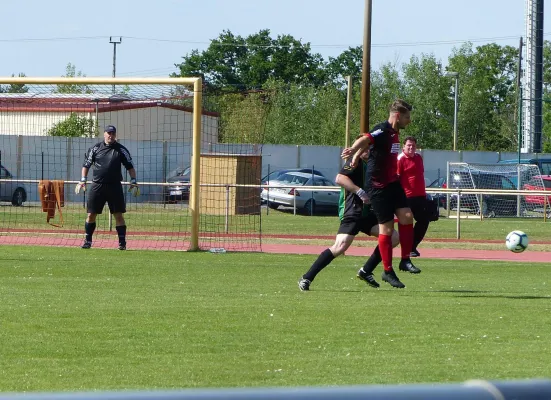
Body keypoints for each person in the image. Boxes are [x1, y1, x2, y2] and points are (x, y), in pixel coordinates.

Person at [341, 99, 421, 289]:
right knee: (386, 230)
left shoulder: (394, 132)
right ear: (398, 116)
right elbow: (365, 138)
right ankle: (387, 271)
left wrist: (355, 154)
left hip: (392, 182)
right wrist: (353, 150)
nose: (409, 121)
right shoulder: (383, 129)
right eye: (407, 117)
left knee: (407, 216)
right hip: (377, 187)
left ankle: (405, 260)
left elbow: (369, 144)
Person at [298, 150, 400, 291]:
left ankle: (366, 270)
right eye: (365, 148)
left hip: (367, 214)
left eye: (371, 149)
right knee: (340, 246)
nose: (369, 151)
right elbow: (340, 178)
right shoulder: (354, 162)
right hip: (352, 211)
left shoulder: (372, 164)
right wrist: (359, 191)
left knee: (393, 237)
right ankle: (306, 278)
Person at [75, 125, 140, 250]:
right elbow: (86, 165)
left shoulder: (121, 150)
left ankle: (122, 243)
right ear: (104, 134)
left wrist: (133, 180)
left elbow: (130, 167)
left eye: (113, 133)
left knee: (118, 215)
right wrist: (83, 179)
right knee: (91, 214)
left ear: (115, 135)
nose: (111, 135)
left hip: (114, 186)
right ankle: (87, 241)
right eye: (108, 133)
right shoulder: (95, 148)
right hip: (97, 185)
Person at [397, 136, 431, 257]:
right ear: (404, 147)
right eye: (409, 145)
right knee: (407, 223)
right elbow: (397, 178)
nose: (411, 147)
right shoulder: (400, 159)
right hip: (407, 197)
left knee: (424, 221)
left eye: (413, 145)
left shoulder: (418, 157)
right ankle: (407, 249)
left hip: (420, 196)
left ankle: (412, 246)